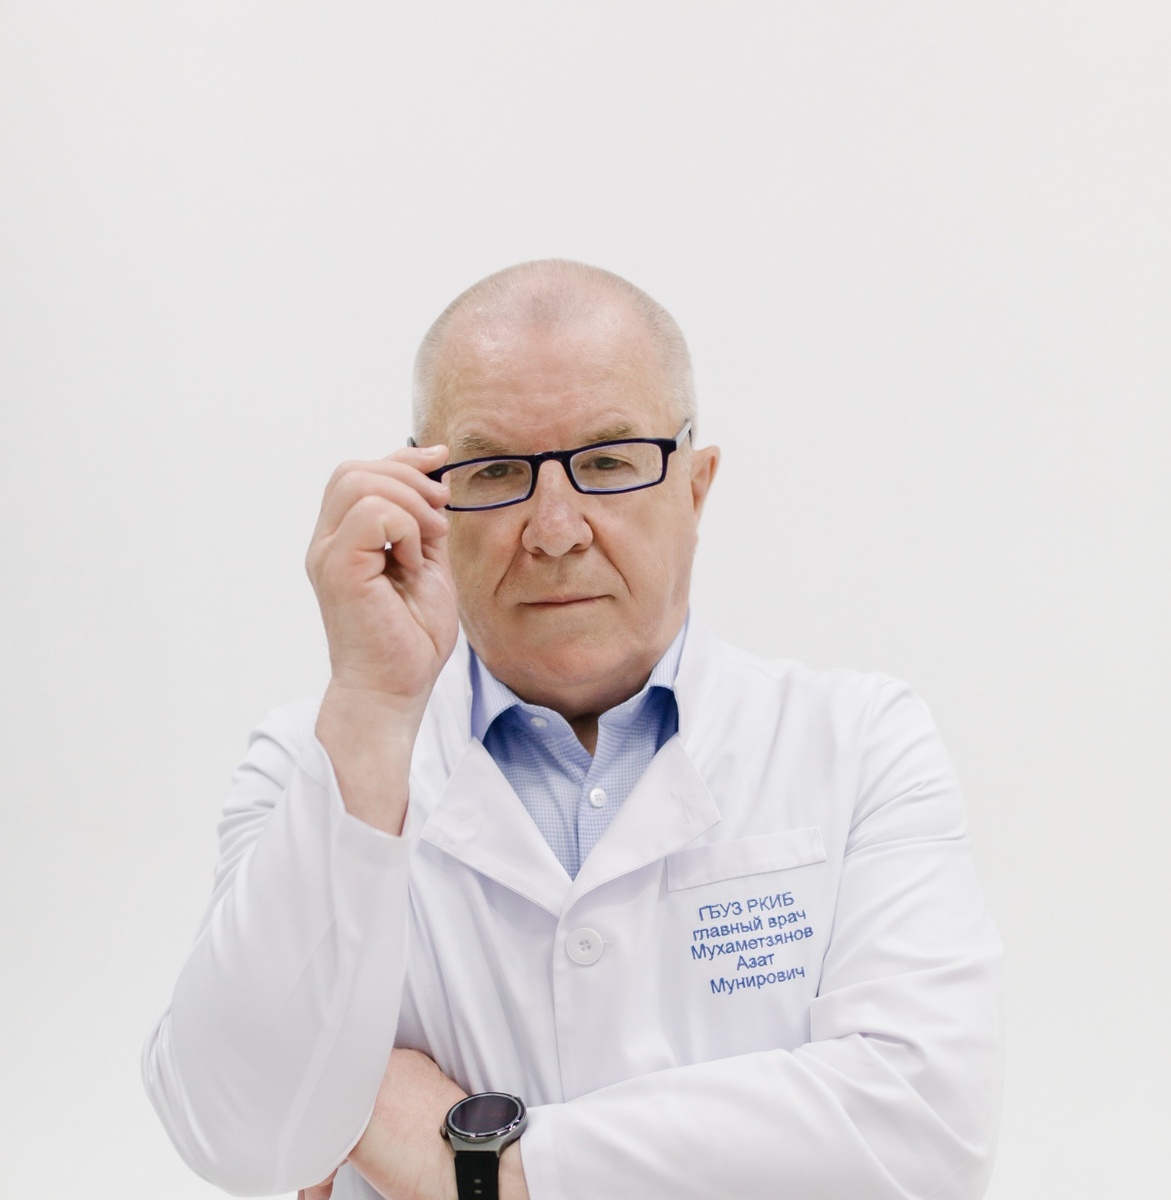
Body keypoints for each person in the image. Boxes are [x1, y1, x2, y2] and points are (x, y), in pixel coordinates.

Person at [143, 260, 1003, 1200]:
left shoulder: (858, 743)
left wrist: (473, 1164)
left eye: (607, 461)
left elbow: (926, 1129)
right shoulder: (318, 761)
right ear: (427, 498)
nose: (554, 530)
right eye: (493, 471)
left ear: (695, 489)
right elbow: (238, 1133)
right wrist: (374, 708)